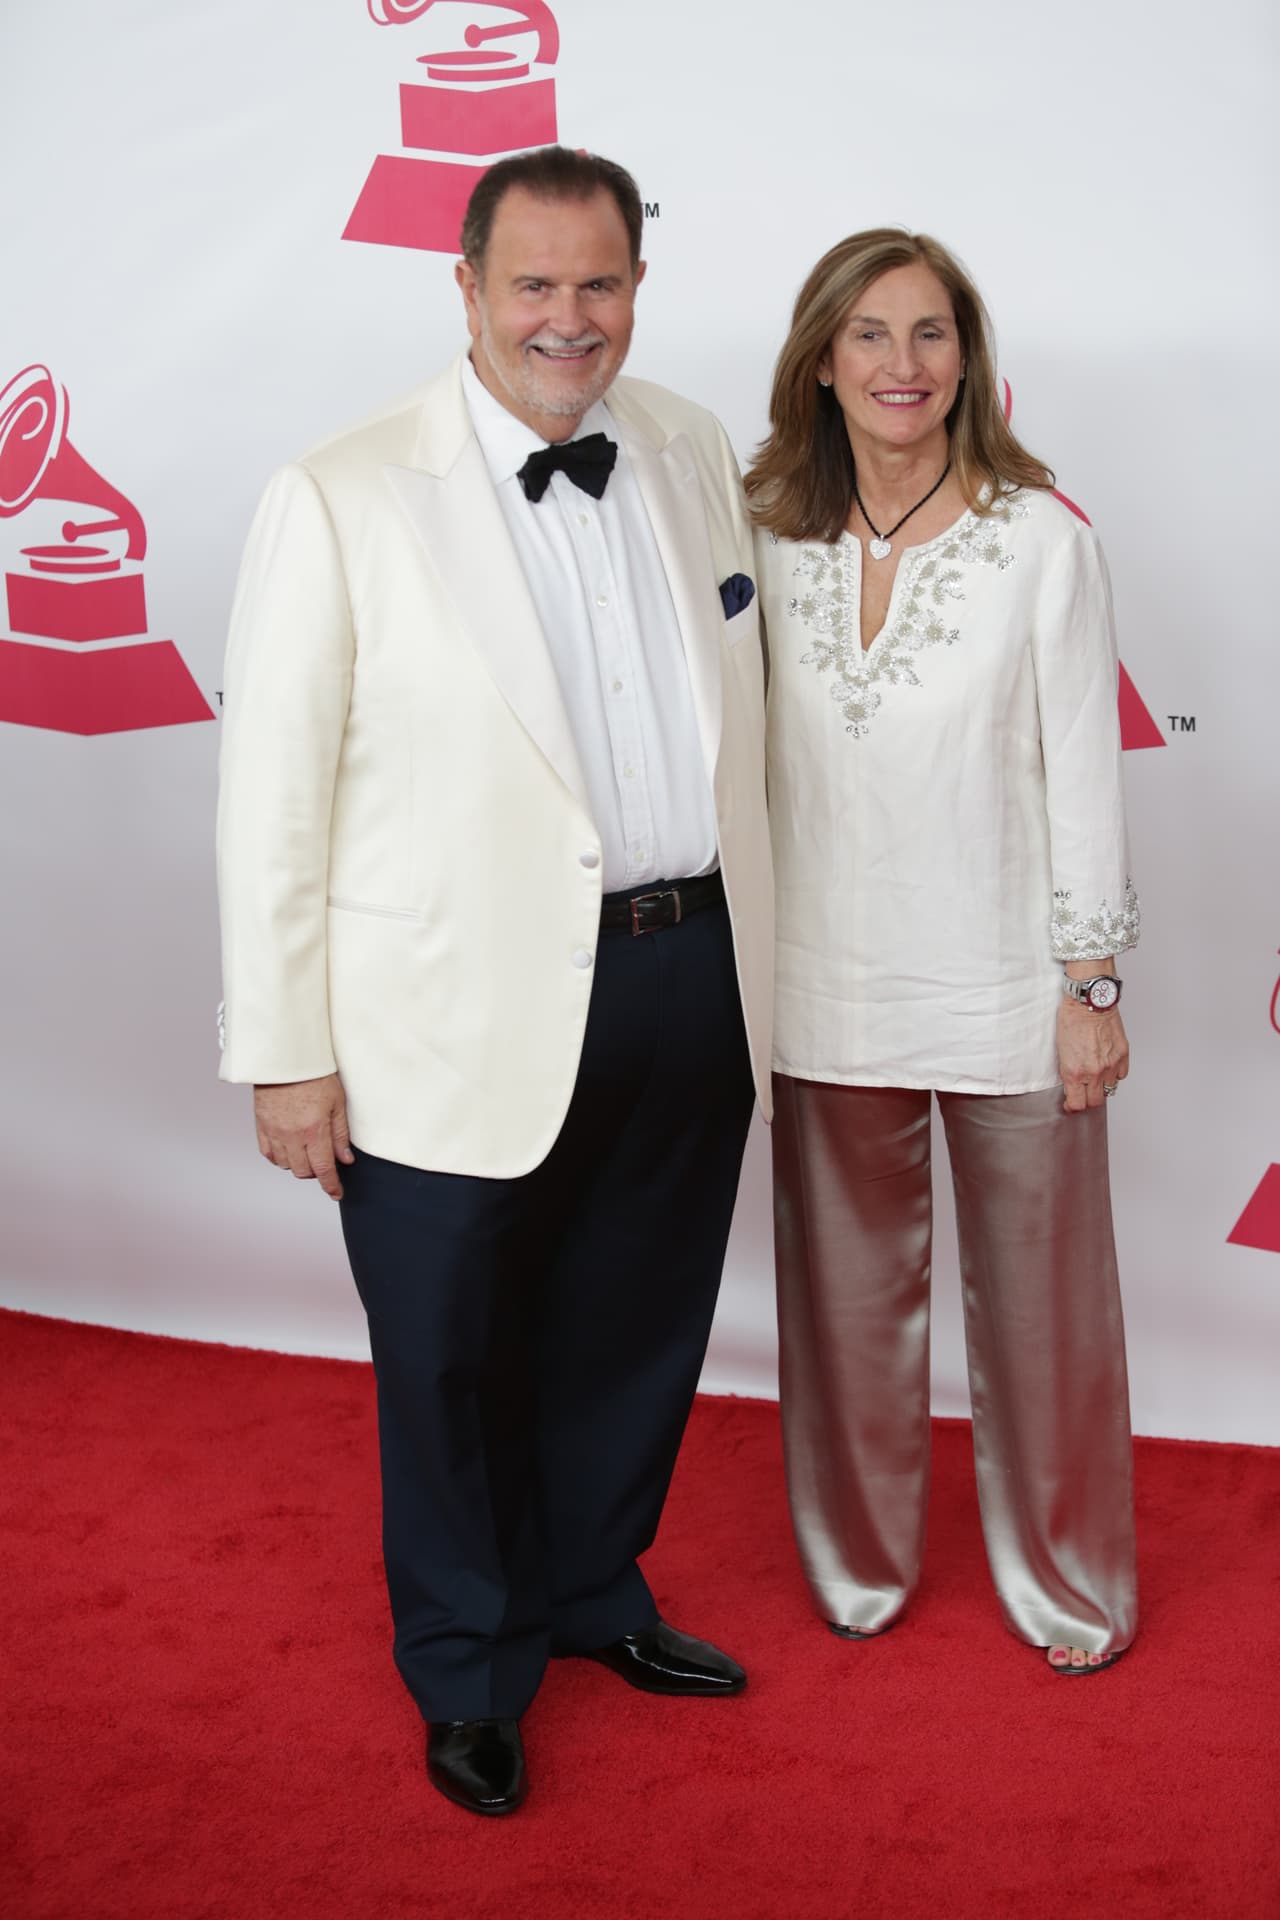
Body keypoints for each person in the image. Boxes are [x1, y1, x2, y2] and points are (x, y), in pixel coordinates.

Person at [216, 147, 773, 1815]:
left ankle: (594, 1592)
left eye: (598, 284)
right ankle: (465, 1666)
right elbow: (271, 803)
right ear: (463, 291)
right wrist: (286, 1052)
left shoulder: (685, 448)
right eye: (532, 284)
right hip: (438, 1019)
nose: (568, 318)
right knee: (450, 1357)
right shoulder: (341, 493)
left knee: (638, 1322)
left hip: (688, 974)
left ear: (637, 289)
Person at [745, 228, 1138, 1676]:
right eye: (868, 335)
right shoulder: (762, 532)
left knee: (1047, 1321)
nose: (900, 366)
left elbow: (1085, 771)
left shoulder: (1043, 539)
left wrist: (1088, 988)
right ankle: (859, 1571)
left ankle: (1069, 1584)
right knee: (844, 1310)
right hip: (819, 985)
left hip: (1007, 993)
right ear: (821, 361)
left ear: (967, 358)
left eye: (928, 334)